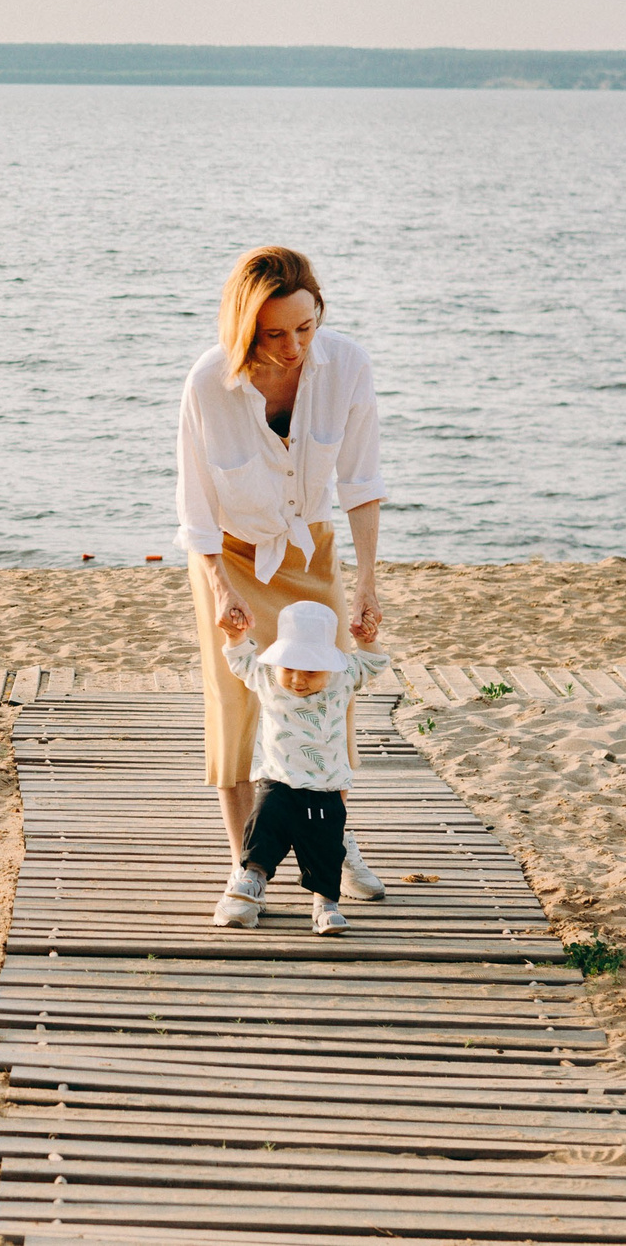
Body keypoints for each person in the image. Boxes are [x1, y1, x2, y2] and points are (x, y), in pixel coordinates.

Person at [175, 245, 388, 917]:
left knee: (329, 700)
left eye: (306, 327)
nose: (294, 346)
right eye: (275, 333)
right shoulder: (209, 382)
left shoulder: (346, 366)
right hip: (230, 556)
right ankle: (248, 866)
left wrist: (367, 582)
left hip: (309, 548)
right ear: (245, 329)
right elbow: (196, 506)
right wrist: (218, 587)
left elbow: (360, 482)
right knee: (238, 712)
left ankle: (336, 845)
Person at [213, 600, 364, 933]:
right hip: (278, 781)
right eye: (290, 668)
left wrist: (367, 639)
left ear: (330, 666)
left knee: (325, 847)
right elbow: (239, 661)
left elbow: (373, 661)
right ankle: (252, 878)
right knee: (262, 827)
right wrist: (235, 636)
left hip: (325, 789)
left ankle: (325, 904)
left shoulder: (343, 679)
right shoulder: (268, 677)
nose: (297, 679)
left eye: (311, 671)